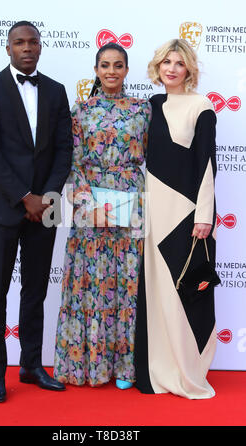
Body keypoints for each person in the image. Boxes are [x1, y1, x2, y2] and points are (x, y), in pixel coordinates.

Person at [0, 21, 73, 402]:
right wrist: (24, 197)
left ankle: (31, 365)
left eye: (32, 42)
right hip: (4, 206)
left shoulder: (56, 91)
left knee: (36, 290)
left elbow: (64, 149)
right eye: (19, 42)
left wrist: (47, 196)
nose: (26, 47)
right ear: (8, 47)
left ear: (41, 47)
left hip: (46, 207)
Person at [53, 43, 151, 389]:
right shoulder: (80, 111)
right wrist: (86, 202)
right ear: (96, 69)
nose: (111, 71)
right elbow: (72, 160)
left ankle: (125, 367)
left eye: (118, 65)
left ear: (127, 70)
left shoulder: (143, 110)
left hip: (131, 201)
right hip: (90, 201)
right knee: (90, 281)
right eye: (105, 65)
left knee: (127, 282)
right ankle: (88, 365)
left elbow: (157, 160)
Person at [134, 39, 217, 399]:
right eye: (166, 62)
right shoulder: (151, 105)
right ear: (158, 66)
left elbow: (207, 163)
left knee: (185, 293)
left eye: (179, 63)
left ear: (188, 70)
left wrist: (204, 215)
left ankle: (188, 370)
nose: (171, 68)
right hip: (154, 211)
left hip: (186, 214)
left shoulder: (202, 106)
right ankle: (156, 369)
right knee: (156, 291)